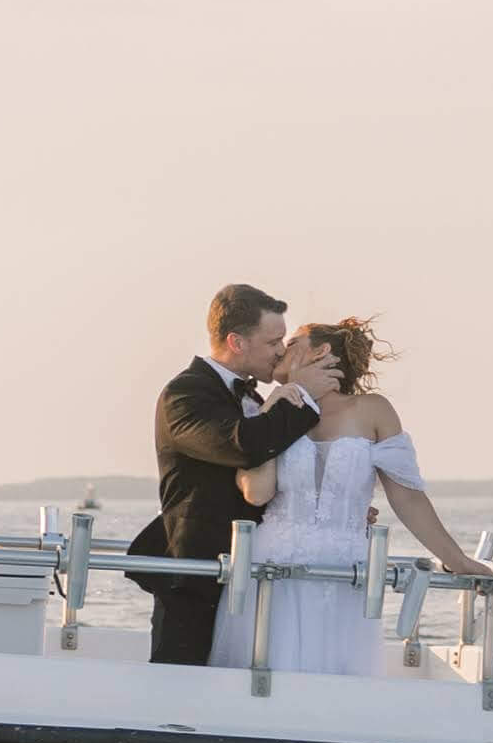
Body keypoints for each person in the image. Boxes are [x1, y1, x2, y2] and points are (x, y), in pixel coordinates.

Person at [209, 317, 493, 677]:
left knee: (335, 682)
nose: (281, 349)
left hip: (345, 568)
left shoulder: (372, 410)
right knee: (266, 674)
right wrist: (270, 413)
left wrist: (457, 559)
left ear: (321, 351)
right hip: (273, 564)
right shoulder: (267, 408)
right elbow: (257, 492)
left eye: (293, 341)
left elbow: (407, 498)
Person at [127, 284, 341, 664]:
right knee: (179, 691)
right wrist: (303, 396)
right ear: (236, 342)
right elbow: (243, 446)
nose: (281, 350)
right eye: (273, 340)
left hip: (250, 576)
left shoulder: (259, 400)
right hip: (195, 575)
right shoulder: (185, 394)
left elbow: (266, 475)